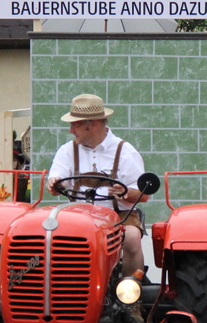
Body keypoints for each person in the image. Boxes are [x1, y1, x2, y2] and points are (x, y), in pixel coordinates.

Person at [47, 94, 147, 278]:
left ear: (92, 124)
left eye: (75, 125)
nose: (71, 130)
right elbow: (56, 182)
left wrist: (125, 192)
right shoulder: (67, 151)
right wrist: (54, 183)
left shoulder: (125, 151)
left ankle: (130, 289)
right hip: (77, 217)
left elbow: (144, 194)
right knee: (50, 236)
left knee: (131, 238)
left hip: (119, 216)